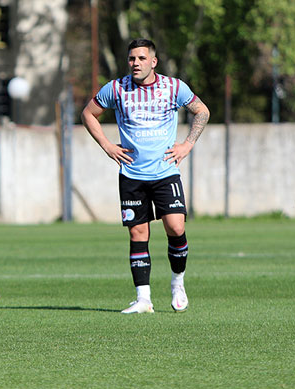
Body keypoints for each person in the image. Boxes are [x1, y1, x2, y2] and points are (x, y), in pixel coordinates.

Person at [81, 38, 210, 314]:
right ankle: (143, 300)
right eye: (131, 59)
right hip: (132, 174)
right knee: (138, 233)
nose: (135, 63)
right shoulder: (116, 88)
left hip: (165, 172)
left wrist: (187, 144)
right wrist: (107, 145)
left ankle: (178, 283)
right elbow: (88, 114)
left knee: (175, 227)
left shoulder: (174, 87)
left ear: (153, 61)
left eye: (141, 58)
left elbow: (202, 111)